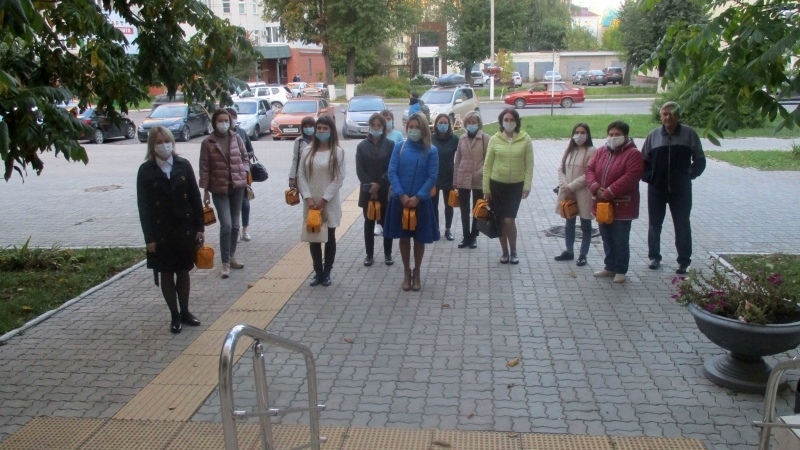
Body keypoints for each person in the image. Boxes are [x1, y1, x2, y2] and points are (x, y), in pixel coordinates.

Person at [137, 126, 204, 333]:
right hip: (161, 232)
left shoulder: (183, 165)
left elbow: (195, 197)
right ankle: (174, 315)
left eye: (166, 141)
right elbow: (144, 207)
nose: (163, 145)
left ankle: (185, 311)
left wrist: (200, 228)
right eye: (158, 142)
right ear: (152, 145)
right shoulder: (146, 170)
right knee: (166, 273)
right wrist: (149, 238)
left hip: (184, 228)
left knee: (183, 272)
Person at [642, 101, 706, 274]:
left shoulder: (689, 134)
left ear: (678, 115)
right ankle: (654, 257)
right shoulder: (654, 135)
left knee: (682, 224)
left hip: (681, 190)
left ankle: (684, 261)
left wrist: (689, 174)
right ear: (661, 116)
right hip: (657, 189)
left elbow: (700, 160)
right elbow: (643, 161)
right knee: (655, 225)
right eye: (665, 114)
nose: (668, 117)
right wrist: (650, 177)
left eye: (671, 114)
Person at [384, 113, 440, 291]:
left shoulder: (431, 150)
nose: (413, 130)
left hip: (420, 202)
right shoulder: (399, 147)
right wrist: (401, 195)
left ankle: (417, 272)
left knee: (419, 239)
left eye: (417, 127)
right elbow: (392, 171)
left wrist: (418, 197)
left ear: (423, 129)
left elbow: (432, 176)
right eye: (411, 127)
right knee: (404, 238)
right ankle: (406, 272)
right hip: (400, 201)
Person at [585, 121, 644, 284]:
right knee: (606, 237)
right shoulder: (601, 151)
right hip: (602, 204)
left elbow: (631, 177)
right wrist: (596, 188)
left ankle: (620, 269)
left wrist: (609, 192)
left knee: (620, 238)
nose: (613, 137)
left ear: (625, 135)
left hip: (622, 205)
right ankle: (609, 266)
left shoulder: (633, 154)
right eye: (610, 134)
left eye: (617, 134)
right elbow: (589, 170)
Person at [199, 109, 250, 278]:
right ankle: (225, 264)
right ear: (214, 122)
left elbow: (245, 157)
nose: (223, 123)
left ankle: (231, 256)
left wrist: (244, 172)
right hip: (219, 188)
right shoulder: (208, 142)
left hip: (237, 187)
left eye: (226, 120)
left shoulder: (236, 137)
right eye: (220, 120)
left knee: (236, 225)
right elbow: (204, 168)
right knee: (226, 224)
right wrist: (205, 191)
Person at [297, 115, 346, 287]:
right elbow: (301, 175)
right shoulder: (307, 150)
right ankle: (317, 272)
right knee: (314, 236)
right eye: (319, 128)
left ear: (331, 131)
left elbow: (338, 179)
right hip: (310, 201)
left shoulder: (337, 152)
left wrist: (324, 199)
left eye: (325, 129)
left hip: (329, 202)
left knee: (330, 237)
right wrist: (308, 198)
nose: (321, 131)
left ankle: (327, 273)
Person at [482, 108, 533, 265]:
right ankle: (504, 252)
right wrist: (486, 189)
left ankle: (514, 250)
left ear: (516, 121)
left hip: (515, 186)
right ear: (501, 122)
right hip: (497, 185)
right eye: (506, 120)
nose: (509, 122)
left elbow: (529, 164)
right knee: (499, 220)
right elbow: (487, 165)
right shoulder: (495, 139)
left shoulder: (525, 139)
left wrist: (527, 186)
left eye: (511, 120)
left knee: (509, 220)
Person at [554, 123, 597, 267]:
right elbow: (561, 168)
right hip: (567, 191)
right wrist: (565, 186)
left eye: (583, 132)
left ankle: (583, 254)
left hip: (583, 192)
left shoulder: (592, 151)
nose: (579, 135)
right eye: (577, 132)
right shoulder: (570, 149)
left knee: (585, 224)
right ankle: (569, 250)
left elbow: (589, 174)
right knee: (569, 222)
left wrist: (571, 186)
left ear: (588, 134)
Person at [356, 113, 394, 266]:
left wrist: (379, 183)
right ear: (369, 127)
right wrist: (370, 186)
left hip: (385, 189)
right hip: (367, 191)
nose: (376, 128)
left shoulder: (390, 145)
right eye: (374, 125)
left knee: (386, 223)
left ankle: (388, 254)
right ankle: (369, 255)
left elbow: (392, 166)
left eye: (379, 125)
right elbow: (360, 169)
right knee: (369, 222)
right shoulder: (362, 146)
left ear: (384, 127)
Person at [453, 111, 488, 249]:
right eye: (469, 122)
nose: (471, 125)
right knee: (464, 209)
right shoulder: (462, 139)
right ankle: (465, 236)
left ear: (479, 124)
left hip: (478, 178)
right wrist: (455, 180)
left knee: (477, 209)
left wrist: (480, 172)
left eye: (474, 122)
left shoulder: (485, 139)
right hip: (463, 177)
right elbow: (458, 160)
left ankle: (474, 236)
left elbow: (488, 160)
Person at [225, 107, 255, 243]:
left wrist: (244, 158)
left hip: (242, 173)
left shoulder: (241, 133)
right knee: (231, 204)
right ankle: (234, 231)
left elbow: (250, 151)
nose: (231, 120)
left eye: (233, 117)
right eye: (228, 118)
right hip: (226, 176)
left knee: (244, 202)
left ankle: (245, 230)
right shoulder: (219, 137)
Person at [431, 113, 458, 241]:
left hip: (449, 176)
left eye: (445, 123)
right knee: (433, 204)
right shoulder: (431, 139)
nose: (443, 125)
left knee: (449, 204)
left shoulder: (454, 139)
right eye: (440, 123)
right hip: (434, 177)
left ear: (449, 125)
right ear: (436, 124)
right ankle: (435, 229)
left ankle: (448, 229)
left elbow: (461, 156)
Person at [289, 116, 316, 188]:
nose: (308, 128)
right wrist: (292, 176)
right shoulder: (298, 141)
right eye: (305, 126)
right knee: (306, 197)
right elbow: (295, 159)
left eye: (310, 126)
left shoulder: (319, 140)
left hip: (316, 174)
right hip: (302, 175)